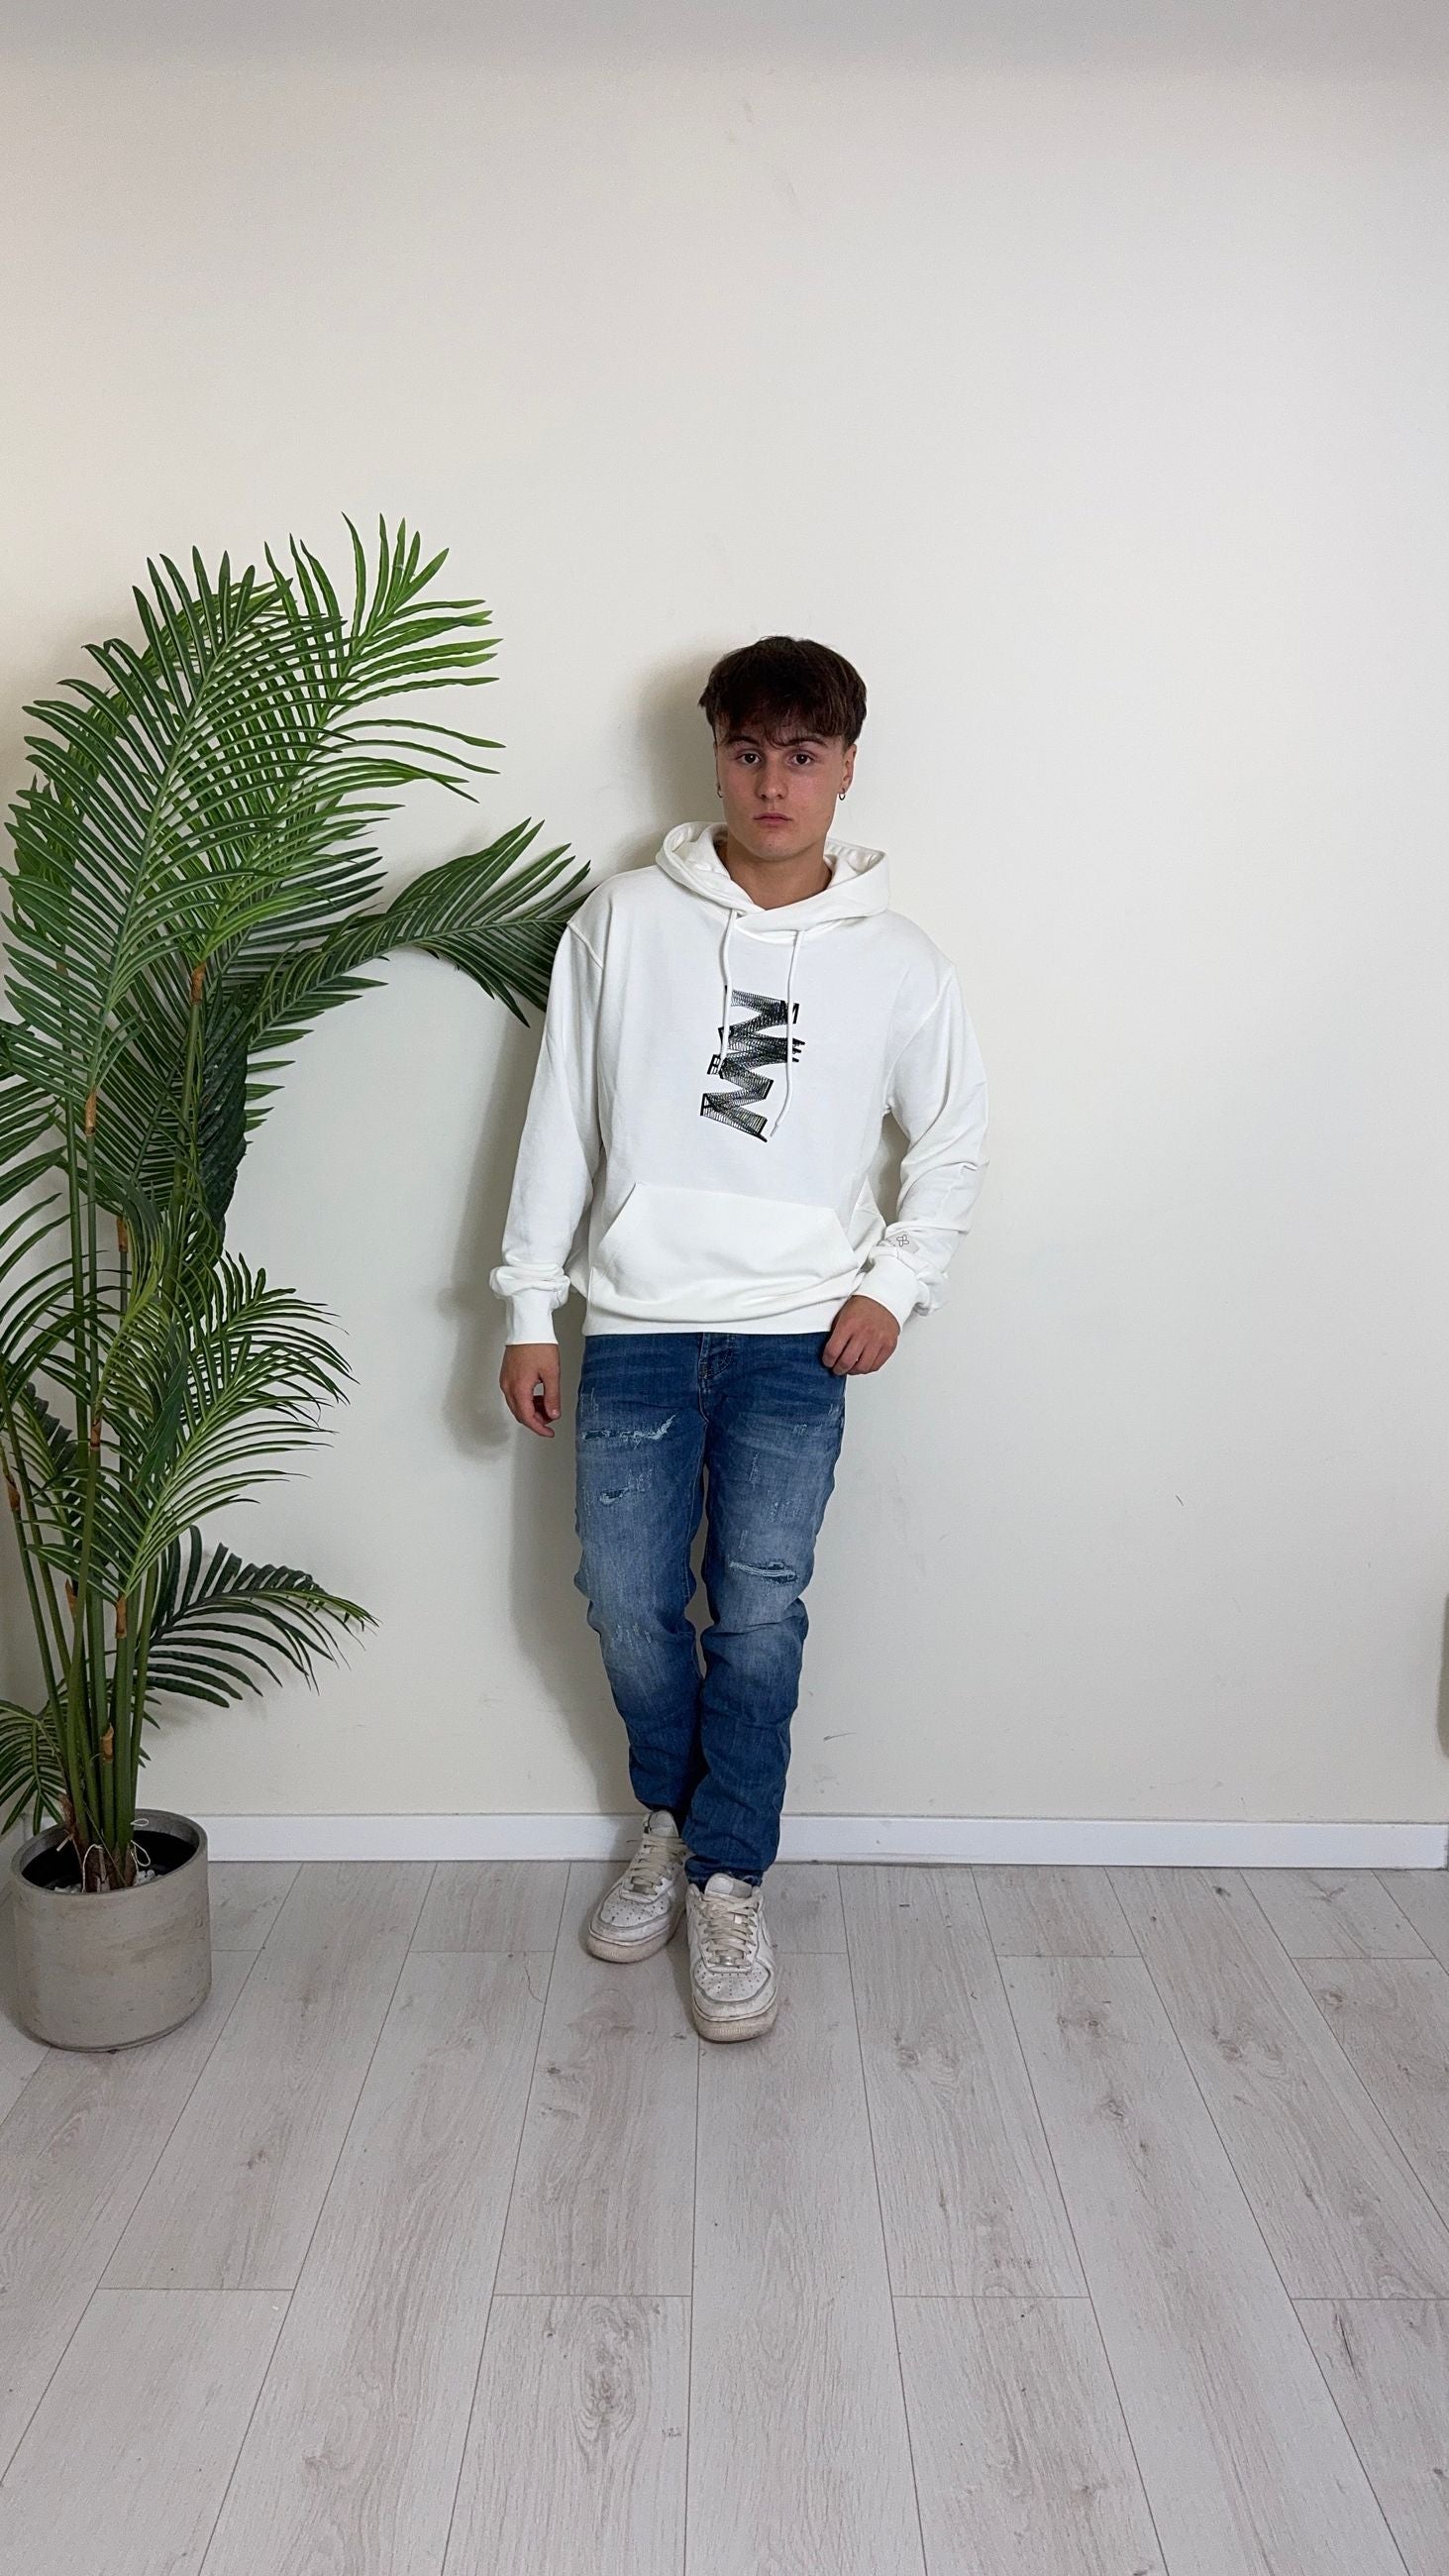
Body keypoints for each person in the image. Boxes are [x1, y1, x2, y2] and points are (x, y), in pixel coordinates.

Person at [491, 636, 989, 2042]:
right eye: (750, 751)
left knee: (759, 1611)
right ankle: (668, 1811)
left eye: (805, 755)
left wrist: (898, 1283)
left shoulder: (898, 960)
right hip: (638, 1320)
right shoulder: (624, 920)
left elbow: (952, 1139)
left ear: (846, 769)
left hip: (797, 1340)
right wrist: (529, 1304)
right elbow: (561, 1115)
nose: (776, 782)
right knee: (625, 1598)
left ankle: (727, 1874)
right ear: (715, 757)